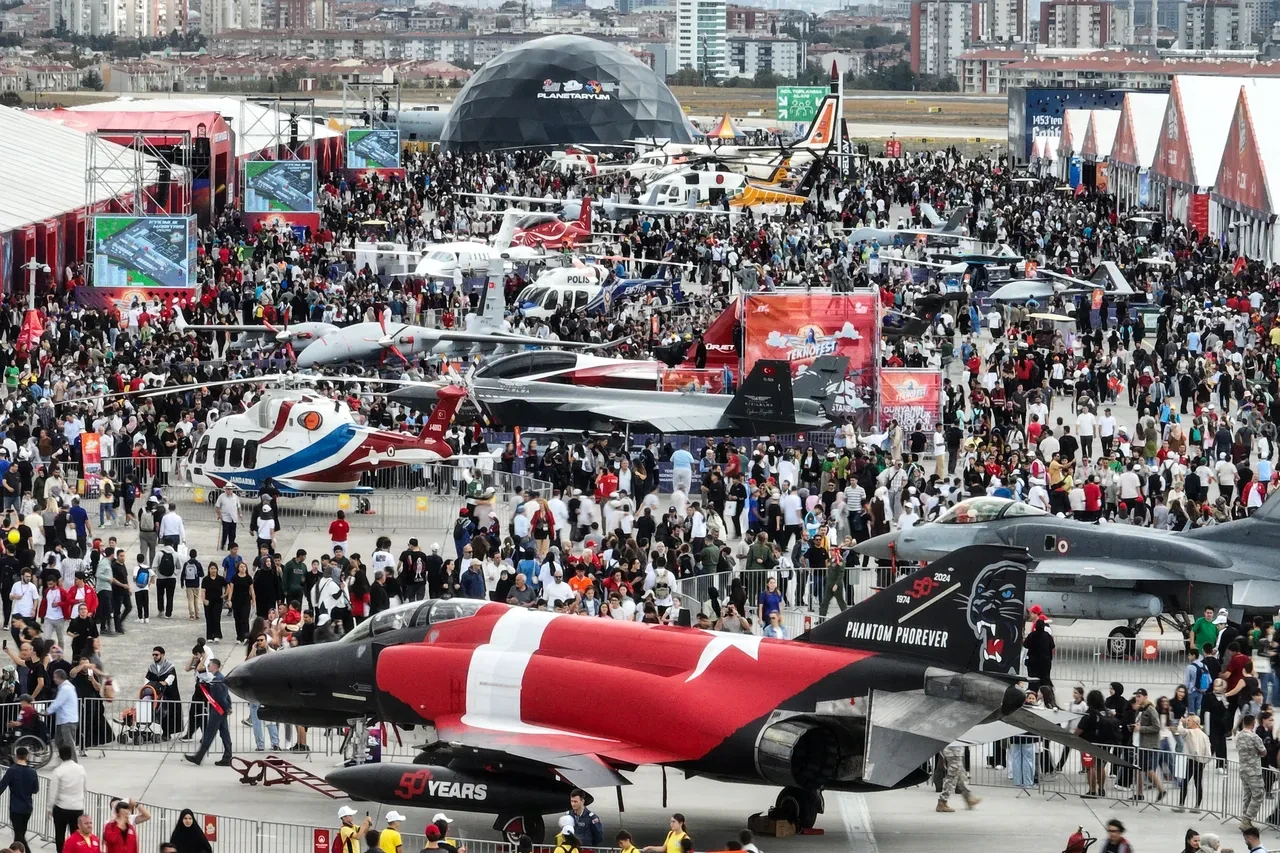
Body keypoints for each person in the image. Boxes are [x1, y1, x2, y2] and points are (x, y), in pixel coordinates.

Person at [184, 658, 232, 766]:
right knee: (224, 733)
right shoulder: (220, 678)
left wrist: (227, 707)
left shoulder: (217, 680)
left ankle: (198, 757)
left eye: (209, 665)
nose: (208, 667)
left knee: (209, 734)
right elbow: (226, 696)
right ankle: (227, 756)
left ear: (215, 666)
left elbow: (221, 698)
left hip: (217, 711)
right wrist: (228, 707)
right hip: (221, 711)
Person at [0, 745, 38, 849]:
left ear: (16, 756)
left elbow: (2, 786)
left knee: (19, 835)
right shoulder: (32, 772)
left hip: (16, 807)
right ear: (27, 756)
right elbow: (35, 790)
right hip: (27, 807)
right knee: (20, 833)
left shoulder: (12, 770)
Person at [50, 743, 86, 852]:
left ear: (60, 756)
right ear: (71, 754)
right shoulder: (80, 769)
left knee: (60, 834)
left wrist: (49, 807)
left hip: (62, 806)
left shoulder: (58, 771)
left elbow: (52, 791)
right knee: (76, 835)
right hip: (77, 807)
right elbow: (85, 787)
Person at [1238, 713, 1268, 829]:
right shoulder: (1254, 737)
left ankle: (1245, 818)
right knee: (1258, 794)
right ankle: (1247, 819)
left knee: (1248, 794)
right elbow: (1263, 752)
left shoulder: (1240, 736)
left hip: (1243, 769)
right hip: (1253, 770)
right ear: (1253, 723)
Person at [935, 744, 980, 812]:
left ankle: (968, 798)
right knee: (953, 774)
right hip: (953, 748)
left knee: (961, 774)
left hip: (956, 748)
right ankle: (942, 801)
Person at [45, 668, 79, 757]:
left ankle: (73, 763)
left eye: (55, 677)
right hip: (65, 720)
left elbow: (58, 702)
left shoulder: (65, 688)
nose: (54, 679)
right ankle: (65, 759)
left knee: (69, 744)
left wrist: (48, 711)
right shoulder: (67, 687)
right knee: (59, 741)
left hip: (67, 720)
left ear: (59, 677)